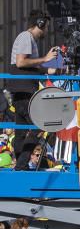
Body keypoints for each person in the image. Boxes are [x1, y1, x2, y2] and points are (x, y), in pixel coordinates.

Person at [7, 12, 57, 169]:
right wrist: (45, 59)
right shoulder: (25, 37)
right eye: (47, 27)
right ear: (40, 24)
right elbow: (21, 62)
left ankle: (20, 166)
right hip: (24, 91)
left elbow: (29, 65)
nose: (47, 30)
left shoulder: (30, 41)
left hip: (24, 91)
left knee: (21, 132)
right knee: (40, 125)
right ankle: (21, 165)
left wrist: (47, 70)